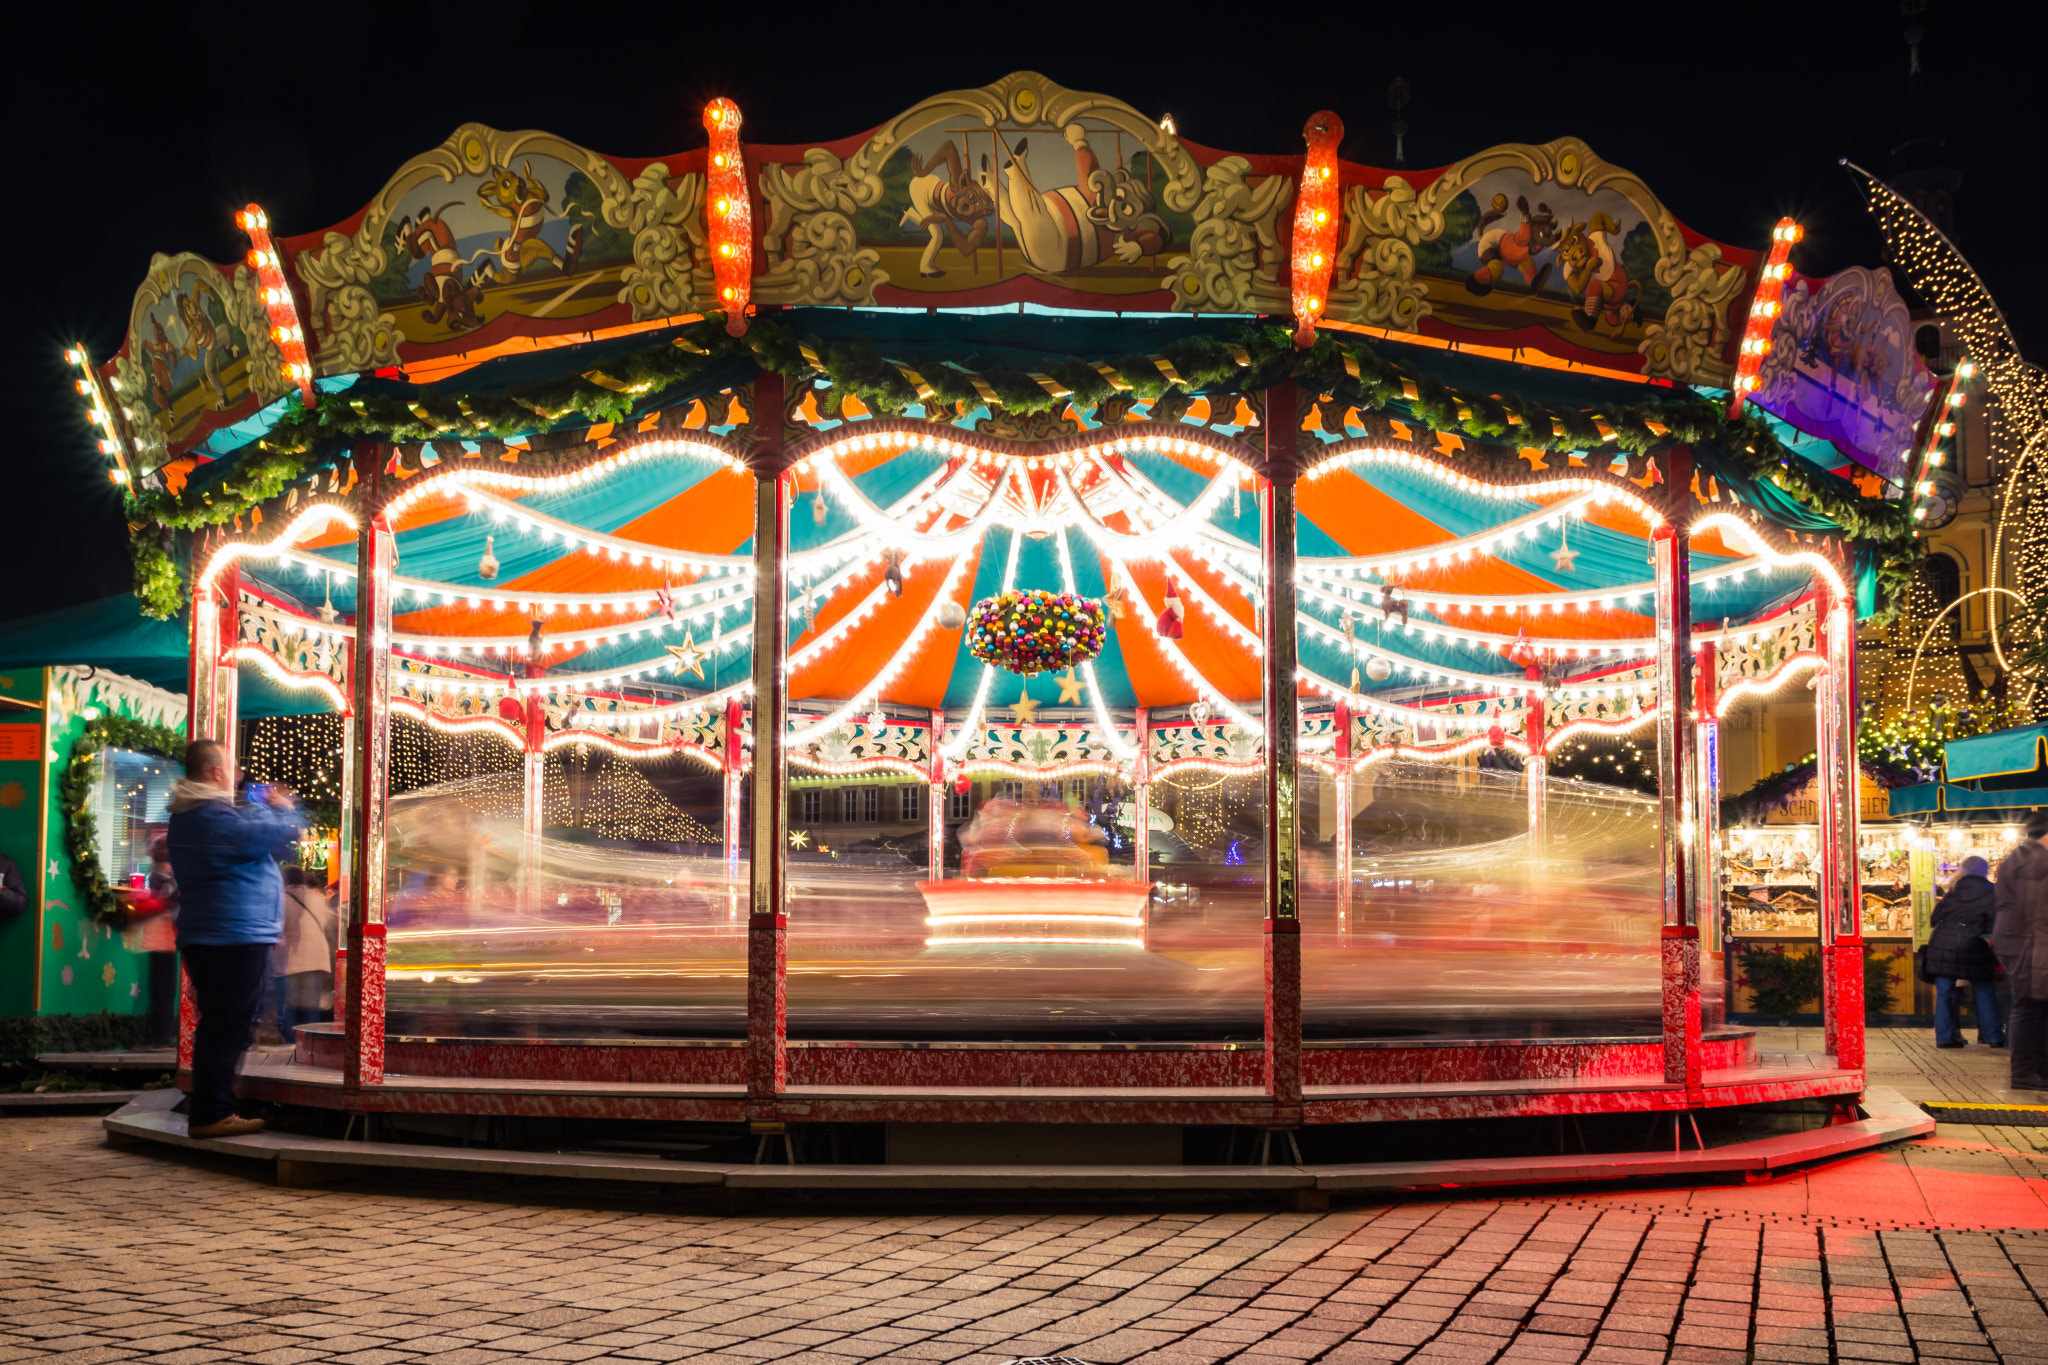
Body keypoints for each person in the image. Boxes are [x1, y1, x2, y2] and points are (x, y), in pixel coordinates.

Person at [165, 741, 306, 1138]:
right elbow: (268, 837)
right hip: (230, 935)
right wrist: (282, 808)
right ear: (215, 772)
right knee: (227, 1027)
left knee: (224, 1024)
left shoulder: (198, 813)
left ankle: (214, 1106)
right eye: (233, 767)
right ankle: (212, 1112)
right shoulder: (208, 814)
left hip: (222, 932)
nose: (238, 775)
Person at [1926, 856, 2007, 1049]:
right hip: (1974, 945)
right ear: (1985, 871)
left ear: (1963, 870)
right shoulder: (1992, 892)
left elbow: (1934, 918)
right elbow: (1996, 924)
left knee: (1945, 992)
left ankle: (1945, 1038)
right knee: (1983, 990)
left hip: (1942, 945)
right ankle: (1994, 1037)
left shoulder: (1952, 891)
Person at [1993, 810, 2048, 1090]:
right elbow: (2039, 918)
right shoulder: (2036, 862)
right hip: (2029, 946)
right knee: (2030, 1006)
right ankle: (2026, 1073)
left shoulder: (2025, 857)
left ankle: (2033, 1071)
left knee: (2032, 1007)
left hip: (2021, 943)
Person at [272, 865, 337, 1043]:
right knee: (310, 1005)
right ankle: (309, 1043)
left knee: (290, 1005)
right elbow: (328, 923)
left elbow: (278, 928)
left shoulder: (282, 900)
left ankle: (292, 1043)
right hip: (317, 958)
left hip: (292, 960)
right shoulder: (317, 899)